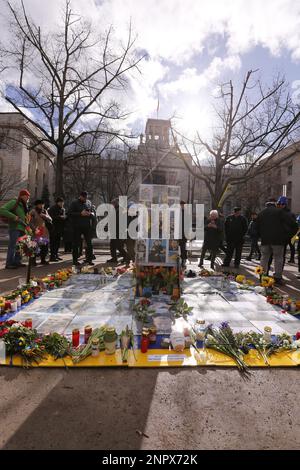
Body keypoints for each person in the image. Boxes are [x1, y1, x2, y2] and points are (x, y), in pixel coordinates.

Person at [256, 199, 298, 285]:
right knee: (278, 259)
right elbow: (293, 224)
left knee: (264, 258)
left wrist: (261, 235)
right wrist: (288, 236)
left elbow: (256, 227)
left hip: (265, 240)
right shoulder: (280, 212)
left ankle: (262, 276)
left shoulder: (261, 213)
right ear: (275, 204)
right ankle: (277, 278)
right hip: (278, 240)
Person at [0, 189, 30, 269]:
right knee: (12, 246)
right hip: (15, 228)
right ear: (22, 196)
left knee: (20, 246)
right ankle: (9, 263)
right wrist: (14, 217)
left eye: (28, 197)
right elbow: (2, 210)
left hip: (23, 229)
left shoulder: (24, 205)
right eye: (27, 196)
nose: (28, 198)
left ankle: (17, 262)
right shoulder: (14, 202)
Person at [68, 191, 95, 266]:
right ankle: (75, 260)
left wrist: (90, 214)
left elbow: (91, 211)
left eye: (86, 198)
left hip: (87, 226)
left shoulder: (87, 203)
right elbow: (69, 213)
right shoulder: (74, 203)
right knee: (76, 244)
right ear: (81, 196)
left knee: (89, 244)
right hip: (77, 227)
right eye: (84, 198)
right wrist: (80, 213)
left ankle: (89, 260)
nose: (86, 199)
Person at [29, 200, 52, 265]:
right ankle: (33, 261)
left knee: (44, 247)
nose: (41, 206)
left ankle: (43, 260)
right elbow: (30, 222)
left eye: (42, 204)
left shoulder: (44, 211)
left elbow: (50, 219)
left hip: (44, 232)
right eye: (40, 204)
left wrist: (45, 216)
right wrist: (34, 229)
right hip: (36, 232)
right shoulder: (33, 212)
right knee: (35, 247)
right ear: (36, 205)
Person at [276, 196, 297, 265]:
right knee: (291, 247)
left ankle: (286, 259)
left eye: (280, 204)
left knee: (284, 249)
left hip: (285, 234)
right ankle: (291, 259)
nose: (279, 206)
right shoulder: (291, 213)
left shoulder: (281, 213)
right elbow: (295, 225)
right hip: (290, 234)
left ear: (284, 204)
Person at [107, 198, 128, 263]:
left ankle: (126, 257)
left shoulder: (121, 210)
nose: (112, 205)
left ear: (116, 203)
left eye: (113, 203)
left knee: (119, 246)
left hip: (119, 231)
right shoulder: (114, 210)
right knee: (112, 245)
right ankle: (114, 258)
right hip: (114, 230)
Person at [48, 197, 66, 261]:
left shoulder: (63, 209)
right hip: (53, 228)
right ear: (57, 202)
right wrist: (60, 217)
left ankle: (56, 255)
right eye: (60, 202)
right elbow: (50, 218)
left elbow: (63, 217)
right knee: (53, 243)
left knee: (58, 243)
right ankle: (52, 256)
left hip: (59, 228)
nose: (62, 204)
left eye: (62, 202)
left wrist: (64, 218)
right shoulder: (52, 209)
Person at [178, 201, 188, 267]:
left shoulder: (186, 213)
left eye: (183, 205)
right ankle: (181, 260)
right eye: (181, 205)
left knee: (183, 247)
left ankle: (183, 260)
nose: (182, 207)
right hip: (178, 232)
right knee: (179, 247)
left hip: (183, 233)